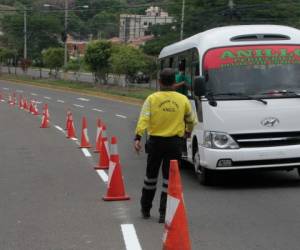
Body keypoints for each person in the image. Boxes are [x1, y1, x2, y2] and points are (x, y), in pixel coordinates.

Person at [134, 68, 197, 223]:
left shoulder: (152, 98)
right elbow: (191, 120)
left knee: (150, 177)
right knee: (169, 180)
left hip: (155, 143)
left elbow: (144, 119)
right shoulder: (183, 100)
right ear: (175, 82)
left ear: (160, 82)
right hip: (174, 144)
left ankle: (145, 209)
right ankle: (164, 213)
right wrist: (188, 132)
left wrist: (138, 137)